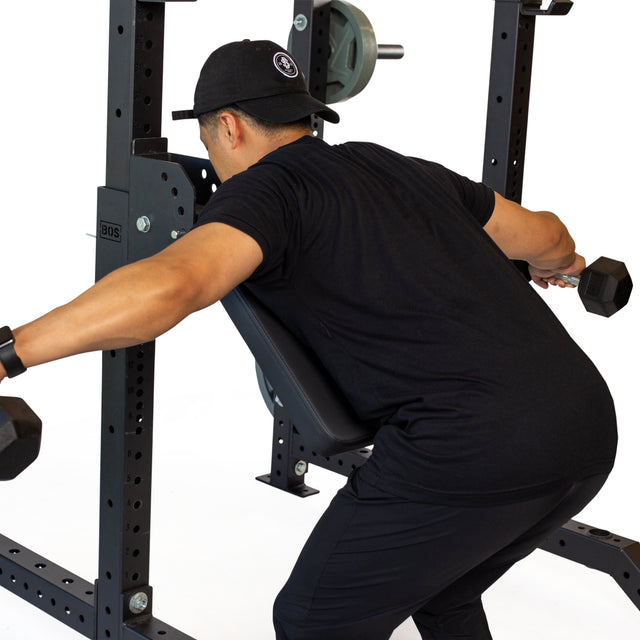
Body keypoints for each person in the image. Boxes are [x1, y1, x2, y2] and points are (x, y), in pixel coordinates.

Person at [0, 40, 617, 639]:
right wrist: (554, 263)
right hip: (588, 431)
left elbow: (171, 287)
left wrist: (12, 351)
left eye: (207, 140)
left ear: (229, 127)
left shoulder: (266, 192)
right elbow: (547, 238)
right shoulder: (395, 165)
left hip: (469, 448)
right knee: (442, 589)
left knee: (313, 621)